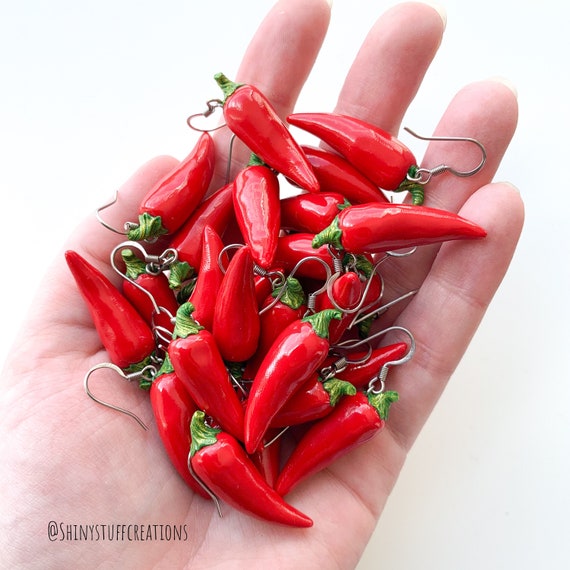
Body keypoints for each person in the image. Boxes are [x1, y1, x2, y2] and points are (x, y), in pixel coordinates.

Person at [0, 0, 523, 567]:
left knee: (263, 322)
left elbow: (255, 262)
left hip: (277, 311)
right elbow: (247, 266)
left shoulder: (214, 335)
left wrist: (257, 267)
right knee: (250, 343)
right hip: (268, 320)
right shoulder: (205, 339)